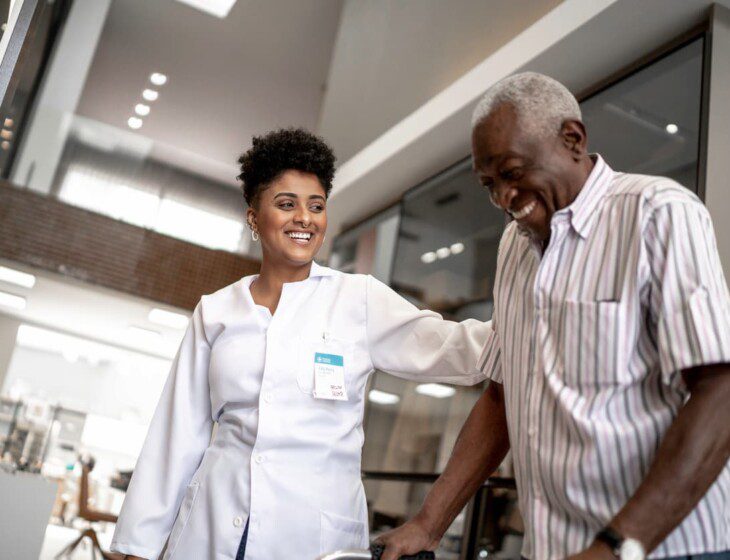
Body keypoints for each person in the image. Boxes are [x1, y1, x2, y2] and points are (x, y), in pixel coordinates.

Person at [377, 72, 730, 560]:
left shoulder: (657, 212)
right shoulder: (513, 247)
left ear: (573, 139)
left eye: (513, 171)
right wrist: (427, 523)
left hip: (662, 549)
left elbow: (721, 390)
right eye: (489, 184)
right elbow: (502, 396)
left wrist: (616, 546)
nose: (504, 197)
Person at [110, 128, 493, 560]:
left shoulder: (358, 299)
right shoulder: (216, 311)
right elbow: (177, 432)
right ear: (254, 217)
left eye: (316, 206)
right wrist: (138, 546)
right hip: (215, 525)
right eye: (286, 204)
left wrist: (530, 326)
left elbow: (454, 347)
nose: (304, 219)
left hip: (313, 534)